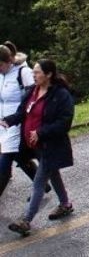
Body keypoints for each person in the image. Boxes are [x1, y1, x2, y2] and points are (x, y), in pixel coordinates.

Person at [3, 59, 75, 236]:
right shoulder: (31, 92)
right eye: (33, 72)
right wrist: (8, 120)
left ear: (48, 74)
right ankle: (65, 204)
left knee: (39, 182)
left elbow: (64, 122)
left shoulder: (60, 95)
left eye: (37, 72)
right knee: (53, 173)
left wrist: (41, 132)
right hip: (33, 146)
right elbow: (22, 113)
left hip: (51, 145)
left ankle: (26, 220)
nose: (33, 75)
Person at [0, 45, 48, 203]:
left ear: (9, 61)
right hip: (4, 125)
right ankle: (41, 184)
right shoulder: (2, 76)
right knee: (20, 157)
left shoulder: (23, 72)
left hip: (18, 124)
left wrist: (19, 116)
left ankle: (42, 184)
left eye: (0, 65)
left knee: (5, 162)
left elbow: (33, 95)